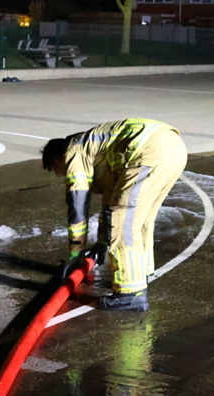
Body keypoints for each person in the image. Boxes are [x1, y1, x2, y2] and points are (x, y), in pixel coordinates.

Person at [42, 118, 188, 311]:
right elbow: (111, 200)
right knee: (140, 219)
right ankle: (140, 274)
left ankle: (130, 295)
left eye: (57, 171)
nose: (62, 175)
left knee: (123, 223)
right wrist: (103, 241)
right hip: (174, 147)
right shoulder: (96, 148)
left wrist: (75, 253)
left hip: (147, 152)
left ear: (58, 160)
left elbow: (77, 204)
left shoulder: (73, 152)